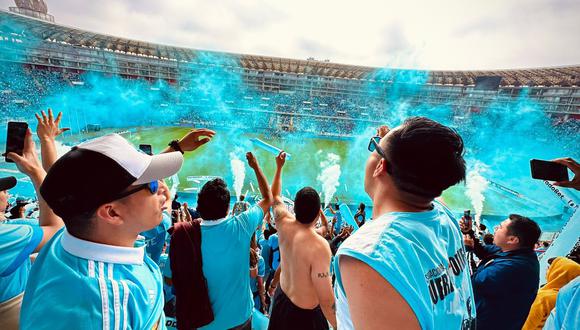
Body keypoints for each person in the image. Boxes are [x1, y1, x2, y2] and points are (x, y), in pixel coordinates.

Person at [20, 127, 215, 329]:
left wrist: (177, 147)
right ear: (111, 213)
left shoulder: (73, 233)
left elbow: (111, 187)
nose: (163, 188)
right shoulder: (106, 310)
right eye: (153, 186)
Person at [335, 117, 476, 329]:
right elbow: (428, 168)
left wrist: (393, 147)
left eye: (374, 146)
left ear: (380, 166)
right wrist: (392, 147)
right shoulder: (442, 213)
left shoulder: (369, 256)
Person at [178, 152, 272, 330]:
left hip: (201, 323)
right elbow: (268, 198)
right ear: (228, 207)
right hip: (239, 320)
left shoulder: (185, 234)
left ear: (199, 205)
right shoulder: (242, 225)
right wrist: (255, 166)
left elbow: (170, 280)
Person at [0, 110, 65, 330]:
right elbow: (57, 228)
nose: (6, 194)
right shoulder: (14, 234)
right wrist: (36, 169)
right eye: (2, 190)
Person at [268, 152, 336, 330]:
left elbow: (274, 196)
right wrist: (341, 325)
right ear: (317, 213)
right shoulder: (320, 246)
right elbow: (327, 300)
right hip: (304, 317)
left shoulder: (283, 222)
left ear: (295, 208)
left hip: (281, 301)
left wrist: (279, 167)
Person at [461, 214, 541, 330]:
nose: (495, 229)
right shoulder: (516, 251)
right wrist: (469, 232)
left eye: (500, 227)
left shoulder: (514, 268)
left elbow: (471, 280)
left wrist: (467, 251)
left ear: (512, 240)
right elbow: (483, 251)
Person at [522, 256, 580, 330]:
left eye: (550, 268)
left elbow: (527, 325)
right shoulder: (570, 297)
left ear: (559, 273)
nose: (547, 271)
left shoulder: (543, 298)